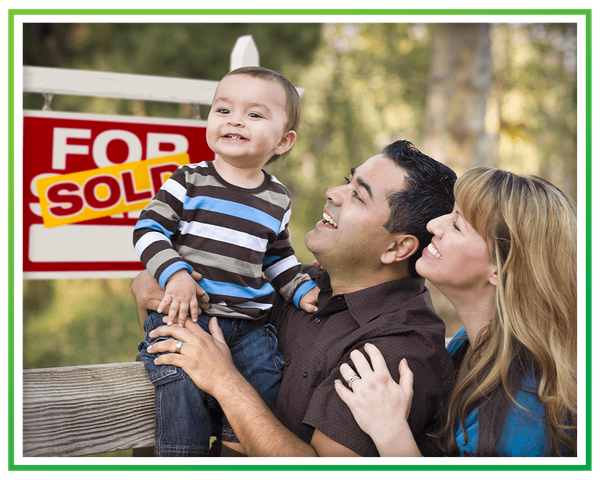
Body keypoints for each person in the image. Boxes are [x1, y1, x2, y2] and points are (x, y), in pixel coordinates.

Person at [131, 140, 458, 458]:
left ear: (397, 248)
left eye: (357, 195)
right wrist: (157, 286)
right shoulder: (299, 287)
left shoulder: (399, 350)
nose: (333, 192)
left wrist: (224, 380)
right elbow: (180, 342)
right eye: (348, 181)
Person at [133, 66, 319, 458]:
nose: (235, 120)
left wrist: (301, 288)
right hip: (187, 314)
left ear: (283, 141)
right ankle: (183, 458)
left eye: (254, 114)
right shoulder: (189, 180)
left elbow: (277, 255)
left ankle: (235, 455)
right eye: (223, 110)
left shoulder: (278, 198)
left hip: (250, 326)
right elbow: (148, 230)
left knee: (265, 378)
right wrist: (176, 274)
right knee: (180, 385)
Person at [335, 166, 580, 459]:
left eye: (457, 225)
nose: (434, 225)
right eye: (451, 212)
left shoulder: (526, 409)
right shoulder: (468, 344)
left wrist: (391, 432)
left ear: (500, 269)